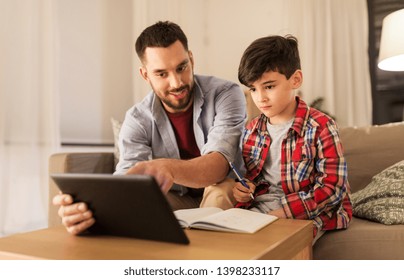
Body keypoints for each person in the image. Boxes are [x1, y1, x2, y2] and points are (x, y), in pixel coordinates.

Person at [53, 21, 246, 235]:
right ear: (145, 75)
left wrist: (168, 168)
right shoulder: (137, 119)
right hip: (175, 200)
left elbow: (219, 165)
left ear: (191, 59)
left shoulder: (226, 94)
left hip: (222, 191)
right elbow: (128, 178)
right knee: (127, 205)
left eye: (182, 67)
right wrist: (88, 210)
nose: (176, 83)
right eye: (162, 74)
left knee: (222, 191)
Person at [234, 35, 352, 243]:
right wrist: (244, 189)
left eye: (269, 86)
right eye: (253, 88)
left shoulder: (322, 127)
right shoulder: (251, 130)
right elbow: (251, 178)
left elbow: (331, 189)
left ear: (295, 79)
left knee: (280, 246)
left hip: (309, 211)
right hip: (260, 208)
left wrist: (280, 214)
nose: (260, 97)